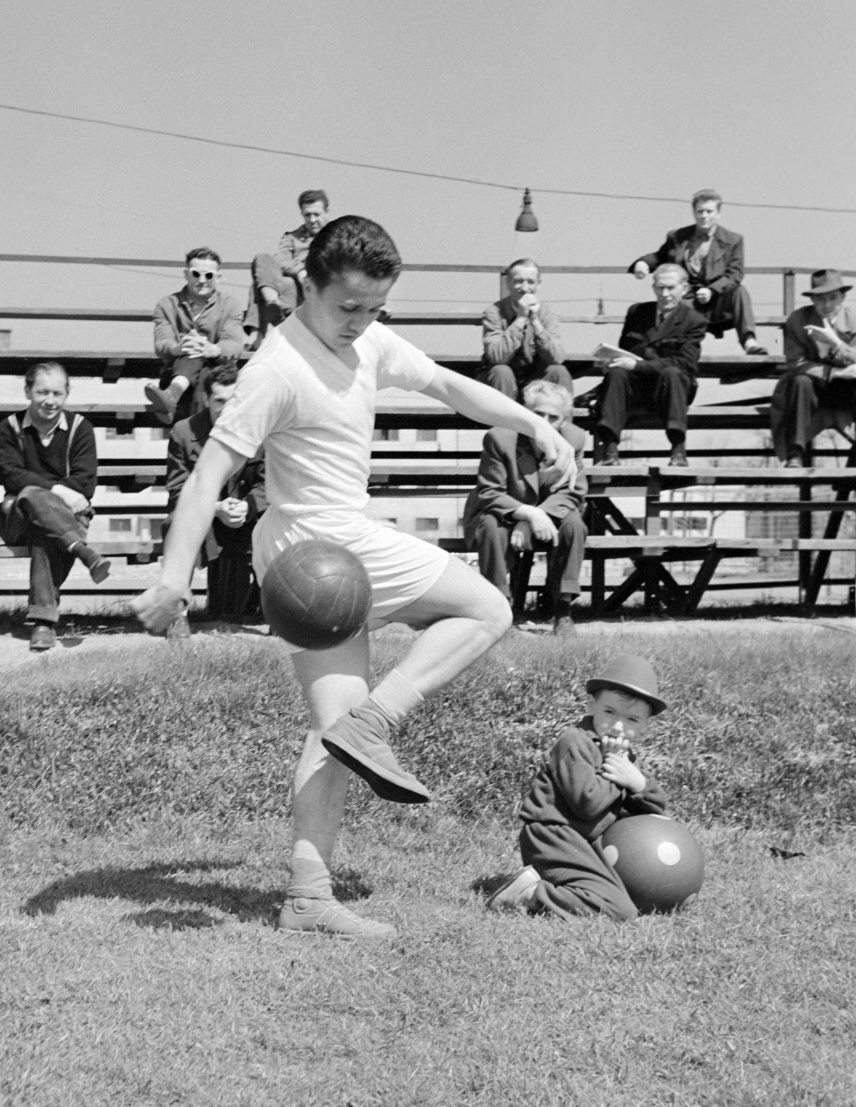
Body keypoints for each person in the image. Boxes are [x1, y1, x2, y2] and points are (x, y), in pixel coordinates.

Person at [131, 215, 576, 940]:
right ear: (307, 285)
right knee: (488, 608)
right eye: (348, 307)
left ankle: (308, 895)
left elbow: (448, 385)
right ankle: (379, 720)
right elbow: (210, 470)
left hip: (330, 550)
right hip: (317, 550)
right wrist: (174, 575)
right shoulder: (277, 367)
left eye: (375, 307)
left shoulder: (367, 335)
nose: (362, 322)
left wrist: (536, 422)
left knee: (336, 731)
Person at [487, 654, 667, 922]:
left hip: (583, 842)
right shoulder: (575, 742)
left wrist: (637, 782)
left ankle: (565, 888)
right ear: (591, 705)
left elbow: (656, 808)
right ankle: (532, 893)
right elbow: (587, 803)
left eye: (632, 719)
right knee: (621, 910)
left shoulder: (622, 757)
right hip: (553, 836)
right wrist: (615, 773)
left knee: (622, 896)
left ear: (645, 725)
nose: (618, 726)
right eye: (609, 712)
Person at [0, 362, 111, 651]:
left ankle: (43, 623)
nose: (50, 400)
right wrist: (58, 489)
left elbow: (85, 484)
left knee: (45, 532)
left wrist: (51, 492)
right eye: (42, 392)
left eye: (57, 393)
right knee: (28, 493)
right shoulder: (9, 428)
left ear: (67, 394)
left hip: (61, 520)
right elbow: (10, 475)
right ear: (27, 391)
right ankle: (80, 549)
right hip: (17, 519)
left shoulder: (80, 428)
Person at [463, 380, 587, 631]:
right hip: (500, 513)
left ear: (564, 421)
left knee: (574, 524)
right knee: (491, 527)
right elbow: (489, 492)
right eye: (537, 414)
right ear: (524, 413)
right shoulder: (499, 437)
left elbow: (573, 492)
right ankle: (499, 611)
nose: (545, 422)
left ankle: (563, 610)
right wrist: (527, 513)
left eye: (553, 417)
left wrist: (538, 515)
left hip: (548, 516)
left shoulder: (574, 438)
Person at [163, 365, 267, 637]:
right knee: (176, 522)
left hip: (247, 516)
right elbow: (177, 491)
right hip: (205, 515)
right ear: (206, 399)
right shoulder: (183, 432)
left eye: (233, 400)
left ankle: (279, 610)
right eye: (219, 400)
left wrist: (248, 505)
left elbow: (269, 483)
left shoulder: (261, 430)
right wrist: (215, 509)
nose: (226, 407)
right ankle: (177, 614)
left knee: (282, 521)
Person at [629, 189, 768, 356]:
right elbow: (660, 256)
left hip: (718, 301)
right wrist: (642, 263)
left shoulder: (734, 240)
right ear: (694, 213)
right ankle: (669, 350)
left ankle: (749, 342)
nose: (704, 216)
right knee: (671, 297)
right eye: (700, 211)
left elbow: (735, 274)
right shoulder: (678, 236)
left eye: (709, 211)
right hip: (687, 300)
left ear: (718, 214)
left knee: (740, 292)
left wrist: (712, 290)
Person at [595, 263, 706, 466]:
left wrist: (638, 366)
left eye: (671, 288)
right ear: (653, 287)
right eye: (659, 287)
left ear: (685, 289)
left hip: (671, 389)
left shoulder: (694, 320)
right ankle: (610, 452)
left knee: (672, 373)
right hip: (637, 388)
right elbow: (626, 350)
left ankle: (678, 451)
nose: (664, 294)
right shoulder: (637, 312)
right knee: (617, 374)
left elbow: (684, 362)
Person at [145, 247, 244, 425]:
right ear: (186, 274)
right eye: (196, 274)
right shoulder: (167, 305)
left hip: (218, 373)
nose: (202, 280)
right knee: (192, 356)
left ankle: (172, 396)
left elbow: (234, 343)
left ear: (219, 277)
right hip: (177, 370)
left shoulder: (230, 305)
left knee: (203, 370)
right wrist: (178, 348)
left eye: (209, 275)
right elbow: (162, 342)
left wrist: (213, 349)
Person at [770, 269, 856, 468]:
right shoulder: (798, 320)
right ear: (812, 299)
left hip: (847, 389)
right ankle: (795, 452)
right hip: (812, 389)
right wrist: (834, 373)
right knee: (800, 381)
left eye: (832, 298)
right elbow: (797, 363)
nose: (826, 305)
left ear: (843, 297)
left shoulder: (853, 319)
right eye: (819, 299)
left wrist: (835, 343)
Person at [244, 189, 330, 345]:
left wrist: (303, 270)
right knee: (262, 258)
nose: (312, 219)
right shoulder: (292, 237)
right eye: (307, 215)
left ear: (327, 212)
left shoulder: (335, 238)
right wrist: (300, 270)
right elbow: (280, 260)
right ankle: (272, 303)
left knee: (259, 284)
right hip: (289, 291)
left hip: (314, 292)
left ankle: (257, 334)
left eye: (316, 214)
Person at [481, 258, 572, 400]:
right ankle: (504, 422)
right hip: (500, 380)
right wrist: (521, 318)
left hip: (535, 377)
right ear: (508, 283)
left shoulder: (546, 313)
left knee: (559, 372)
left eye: (530, 282)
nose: (524, 288)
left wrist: (535, 321)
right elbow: (497, 357)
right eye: (518, 281)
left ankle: (559, 422)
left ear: (538, 285)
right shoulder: (493, 312)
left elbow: (557, 358)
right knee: (501, 371)